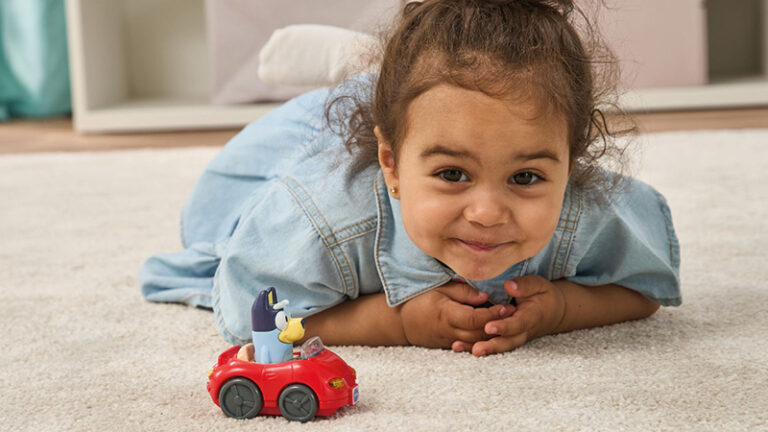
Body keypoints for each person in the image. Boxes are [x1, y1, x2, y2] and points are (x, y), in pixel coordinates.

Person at [140, 0, 680, 357]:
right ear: (392, 167)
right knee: (362, 103)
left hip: (406, 124)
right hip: (286, 153)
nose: (488, 212)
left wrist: (559, 310)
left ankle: (371, 74)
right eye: (452, 173)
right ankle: (362, 73)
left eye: (526, 176)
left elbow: (643, 289)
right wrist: (392, 322)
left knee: (417, 100)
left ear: (572, 163)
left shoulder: (588, 207)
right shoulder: (325, 218)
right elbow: (247, 319)